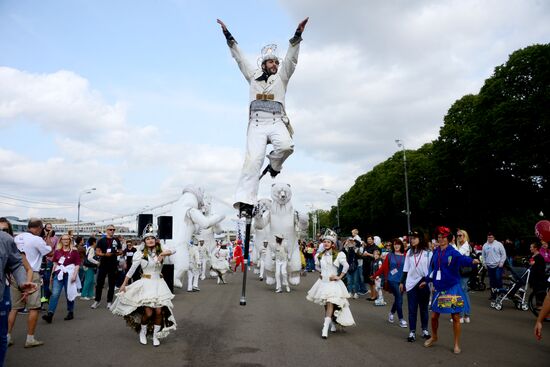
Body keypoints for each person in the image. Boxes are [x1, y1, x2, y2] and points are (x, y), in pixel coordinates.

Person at [216, 17, 309, 216]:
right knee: (253, 161)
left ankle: (275, 165)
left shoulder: (282, 77)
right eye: (271, 61)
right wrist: (228, 36)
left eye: (276, 61)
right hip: (257, 123)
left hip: (276, 121)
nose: (274, 64)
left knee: (286, 146)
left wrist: (297, 36)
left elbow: (291, 60)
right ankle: (246, 200)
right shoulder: (253, 75)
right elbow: (240, 58)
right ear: (264, 64)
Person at [110, 229, 176, 347]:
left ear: (155, 240)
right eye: (147, 239)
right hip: (146, 284)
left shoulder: (161, 250)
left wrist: (161, 254)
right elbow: (131, 270)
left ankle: (156, 336)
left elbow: (174, 250)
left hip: (159, 284)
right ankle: (143, 332)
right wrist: (124, 284)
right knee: (149, 313)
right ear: (144, 242)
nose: (150, 240)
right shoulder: (139, 254)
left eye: (152, 238)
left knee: (159, 311)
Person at [424, 226, 479, 354]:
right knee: (433, 316)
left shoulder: (452, 251)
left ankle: (456, 344)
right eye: (439, 237)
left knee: (455, 316)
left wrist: (472, 261)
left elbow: (462, 259)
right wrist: (426, 281)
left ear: (448, 238)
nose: (441, 239)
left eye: (443, 237)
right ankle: (434, 336)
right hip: (439, 288)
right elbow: (433, 269)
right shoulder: (436, 251)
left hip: (452, 288)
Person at [7, 218, 52, 348]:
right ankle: (30, 338)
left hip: (15, 273)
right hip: (31, 274)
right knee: (34, 307)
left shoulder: (16, 237)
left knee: (14, 308)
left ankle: (7, 336)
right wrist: (48, 236)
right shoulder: (37, 239)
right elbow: (49, 252)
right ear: (39, 228)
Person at [306, 231, 355, 339]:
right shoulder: (319, 255)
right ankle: (332, 323)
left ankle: (325, 328)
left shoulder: (338, 254)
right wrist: (321, 273)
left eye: (328, 242)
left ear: (332, 244)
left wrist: (339, 276)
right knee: (325, 303)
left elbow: (346, 266)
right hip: (323, 283)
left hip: (333, 283)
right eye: (325, 241)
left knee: (329, 303)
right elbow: (317, 267)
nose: (326, 243)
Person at [0, 229, 39, 364]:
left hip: (6, 289)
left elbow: (19, 265)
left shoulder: (5, 240)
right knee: (16, 309)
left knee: (1, 335)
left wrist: (23, 282)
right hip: (11, 286)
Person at [400, 230, 433, 342]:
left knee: (424, 309)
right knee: (412, 309)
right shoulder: (409, 252)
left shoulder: (428, 253)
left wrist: (429, 281)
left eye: (414, 238)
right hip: (411, 284)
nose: (412, 240)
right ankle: (412, 332)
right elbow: (405, 269)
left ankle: (424, 330)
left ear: (420, 239)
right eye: (411, 238)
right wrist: (401, 282)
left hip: (424, 282)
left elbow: (432, 269)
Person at [42, 234, 80, 323]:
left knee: (68, 294)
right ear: (61, 241)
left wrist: (74, 275)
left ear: (70, 241)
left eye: (67, 239)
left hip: (69, 275)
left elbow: (77, 264)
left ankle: (70, 312)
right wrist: (52, 275)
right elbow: (55, 264)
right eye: (64, 239)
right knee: (55, 294)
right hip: (58, 274)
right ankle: (50, 314)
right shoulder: (57, 251)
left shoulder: (74, 252)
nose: (66, 241)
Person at [372, 238, 407, 328]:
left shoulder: (406, 255)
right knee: (399, 299)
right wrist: (374, 275)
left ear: (401, 245)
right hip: (392, 280)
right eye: (395, 244)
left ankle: (391, 313)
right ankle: (401, 319)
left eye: (398, 244)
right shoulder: (390, 255)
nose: (396, 246)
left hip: (402, 281)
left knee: (398, 299)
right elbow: (383, 268)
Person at [91, 225, 122, 309]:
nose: (112, 231)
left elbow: (120, 251)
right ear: (106, 230)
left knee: (112, 284)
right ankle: (97, 301)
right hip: (103, 264)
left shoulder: (116, 240)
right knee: (99, 284)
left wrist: (115, 253)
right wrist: (105, 254)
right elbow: (97, 252)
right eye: (110, 229)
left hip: (113, 264)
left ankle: (109, 301)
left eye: (113, 229)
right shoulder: (101, 240)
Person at [456, 229, 473, 323]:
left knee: (461, 292)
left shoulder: (465, 246)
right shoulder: (463, 245)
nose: (458, 237)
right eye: (458, 236)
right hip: (462, 271)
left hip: (463, 271)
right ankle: (466, 315)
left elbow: (457, 255)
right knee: (464, 292)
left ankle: (462, 315)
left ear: (465, 236)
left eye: (460, 235)